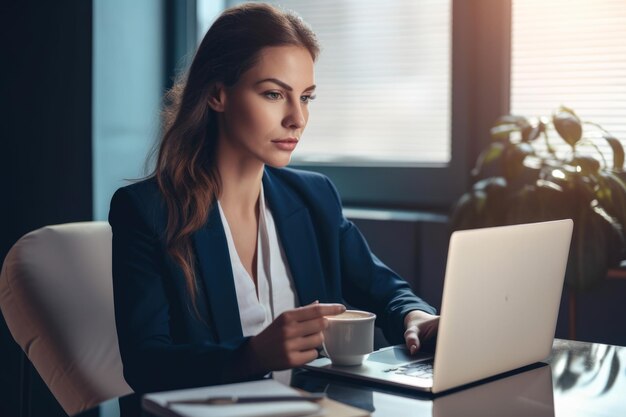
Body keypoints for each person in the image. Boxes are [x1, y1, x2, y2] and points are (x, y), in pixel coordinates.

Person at [109, 2, 439, 394]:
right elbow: (147, 366)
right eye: (273, 94)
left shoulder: (314, 196)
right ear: (217, 94)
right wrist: (252, 354)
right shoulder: (147, 212)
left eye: (306, 97)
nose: (297, 118)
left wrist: (414, 315)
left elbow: (385, 289)